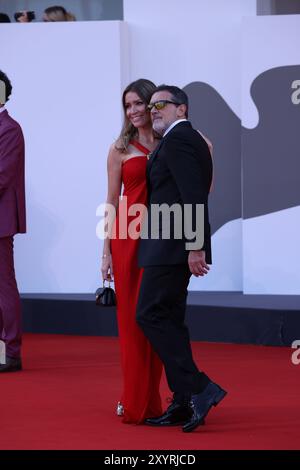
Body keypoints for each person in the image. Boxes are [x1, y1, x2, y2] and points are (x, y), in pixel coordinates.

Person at [136, 85, 227, 432]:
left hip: (172, 247)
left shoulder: (180, 139)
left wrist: (195, 245)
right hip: (168, 244)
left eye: (161, 103)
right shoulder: (179, 140)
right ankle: (184, 400)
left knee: (150, 315)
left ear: (182, 109)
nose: (153, 109)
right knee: (170, 319)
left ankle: (200, 388)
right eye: (151, 104)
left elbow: (193, 194)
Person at [101, 79, 163, 424]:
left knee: (159, 319)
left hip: (164, 237)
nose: (134, 111)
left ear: (153, 105)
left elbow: (207, 149)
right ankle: (135, 398)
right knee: (131, 322)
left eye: (139, 103)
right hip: (128, 239)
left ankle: (154, 400)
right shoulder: (119, 148)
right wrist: (106, 254)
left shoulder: (170, 142)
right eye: (128, 106)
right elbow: (111, 202)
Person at [0, 70, 26, 373]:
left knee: (3, 286)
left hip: (1, 221)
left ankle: (12, 353)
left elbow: (2, 177)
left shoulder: (9, 129)